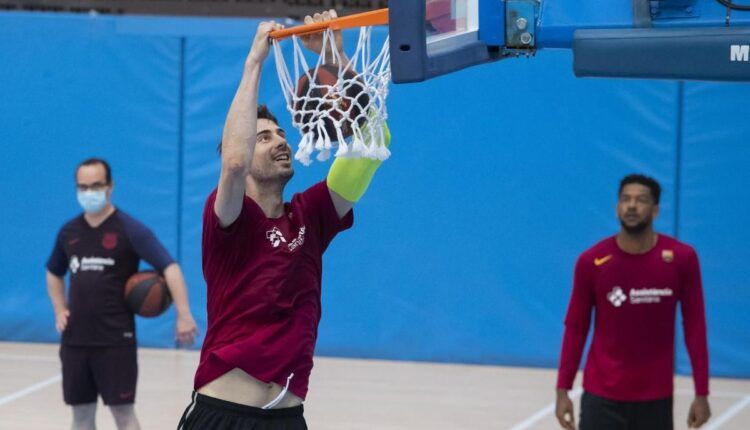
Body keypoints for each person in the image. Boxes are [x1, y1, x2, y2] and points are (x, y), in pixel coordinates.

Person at [177, 10, 391, 429]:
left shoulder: (312, 214)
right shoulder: (228, 220)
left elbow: (374, 143)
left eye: (280, 134)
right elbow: (235, 163)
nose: (279, 142)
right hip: (221, 416)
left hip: (288, 419)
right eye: (263, 137)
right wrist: (254, 61)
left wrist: (336, 59)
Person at [47, 157, 198, 430]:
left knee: (123, 413)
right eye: (83, 187)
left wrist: (184, 314)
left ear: (110, 186)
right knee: (80, 416)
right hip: (75, 341)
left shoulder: (130, 229)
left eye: (95, 185)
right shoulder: (68, 232)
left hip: (115, 341)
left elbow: (170, 268)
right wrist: (59, 309)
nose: (89, 192)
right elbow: (53, 272)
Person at [555, 174, 711, 430]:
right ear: (617, 207)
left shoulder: (682, 259)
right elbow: (576, 328)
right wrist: (563, 390)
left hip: (655, 399)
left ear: (656, 210)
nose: (631, 206)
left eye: (641, 200)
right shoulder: (591, 261)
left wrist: (701, 393)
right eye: (625, 199)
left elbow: (695, 327)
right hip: (601, 397)